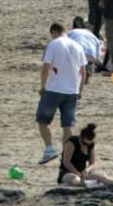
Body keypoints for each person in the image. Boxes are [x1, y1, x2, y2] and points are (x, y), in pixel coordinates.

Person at [36, 21, 87, 165]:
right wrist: (80, 90)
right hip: (72, 90)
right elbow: (83, 73)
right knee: (67, 125)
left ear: (54, 32)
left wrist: (42, 86)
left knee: (42, 121)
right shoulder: (78, 46)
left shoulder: (53, 44)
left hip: (54, 89)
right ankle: (66, 155)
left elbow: (45, 67)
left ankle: (49, 149)